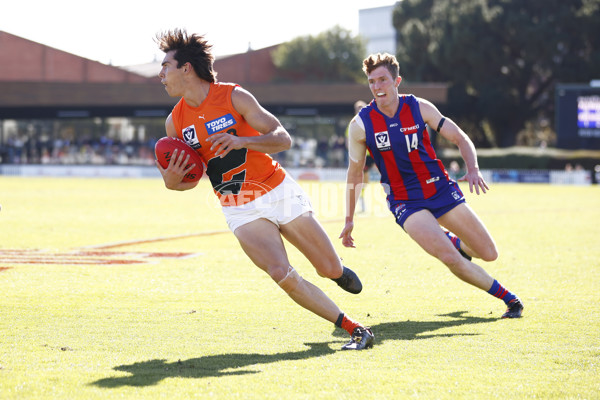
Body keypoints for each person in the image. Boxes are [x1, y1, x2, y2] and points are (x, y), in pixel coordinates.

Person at [154, 29, 374, 350]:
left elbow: (283, 139)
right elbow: (178, 181)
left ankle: (337, 271)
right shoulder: (175, 123)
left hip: (277, 191)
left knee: (326, 267)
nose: (160, 75)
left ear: (186, 68)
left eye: (165, 67)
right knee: (280, 273)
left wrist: (243, 140)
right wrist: (172, 181)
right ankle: (352, 326)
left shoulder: (233, 97)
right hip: (238, 207)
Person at [340, 53, 523, 319]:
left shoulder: (419, 107)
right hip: (405, 201)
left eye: (383, 80)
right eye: (372, 82)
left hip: (439, 189)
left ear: (397, 81)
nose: (377, 87)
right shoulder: (360, 125)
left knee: (488, 253)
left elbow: (459, 137)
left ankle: (456, 242)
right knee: (449, 258)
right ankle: (511, 300)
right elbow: (354, 174)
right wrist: (348, 219)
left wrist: (472, 168)